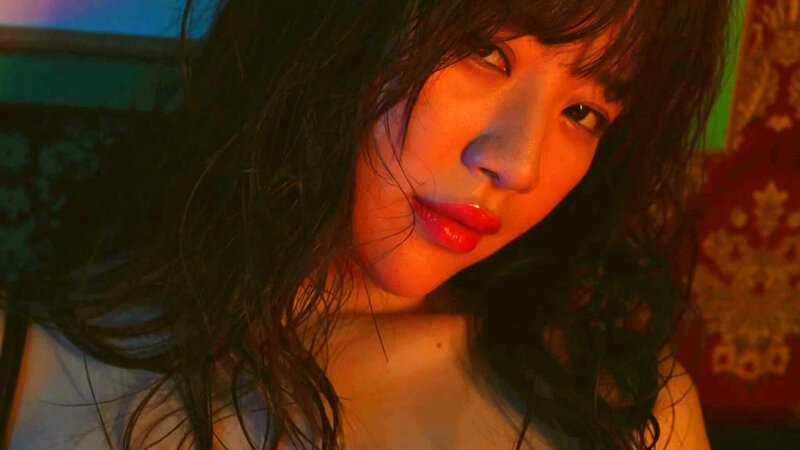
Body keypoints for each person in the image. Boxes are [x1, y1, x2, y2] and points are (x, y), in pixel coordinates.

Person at [0, 0, 731, 448]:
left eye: (584, 112)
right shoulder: (28, 359)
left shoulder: (628, 411)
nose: (520, 164)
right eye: (485, 51)